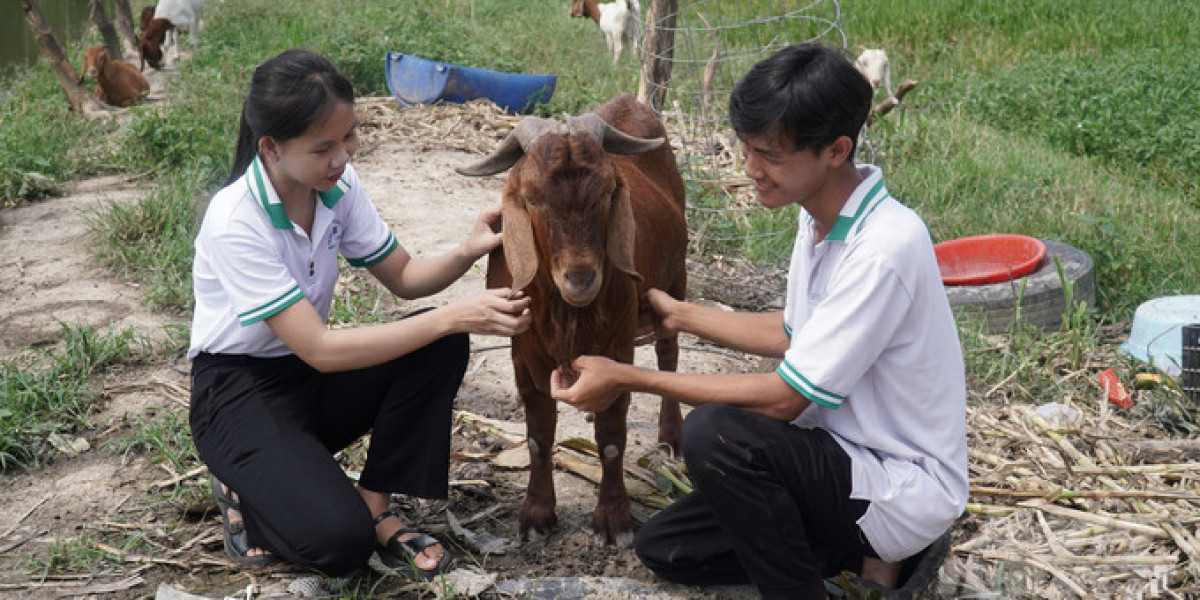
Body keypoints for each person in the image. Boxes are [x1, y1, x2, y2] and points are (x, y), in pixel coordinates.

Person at [549, 42, 967, 599]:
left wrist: (629, 377)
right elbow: (794, 334)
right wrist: (680, 314)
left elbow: (785, 398)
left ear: (836, 150)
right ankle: (867, 560)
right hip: (836, 460)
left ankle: (851, 567)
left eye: (768, 154)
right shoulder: (817, 217)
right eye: (746, 149)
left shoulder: (884, 248)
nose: (750, 170)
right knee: (667, 547)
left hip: (897, 482)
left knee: (713, 433)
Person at [187, 48, 531, 579]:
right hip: (239, 394)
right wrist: (453, 316)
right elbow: (321, 349)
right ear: (271, 148)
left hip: (306, 381)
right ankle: (245, 489)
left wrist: (467, 251)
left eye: (347, 137)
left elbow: (406, 278)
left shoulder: (336, 188)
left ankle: (374, 502)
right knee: (340, 546)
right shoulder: (236, 220)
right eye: (323, 147)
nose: (343, 156)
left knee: (440, 343)